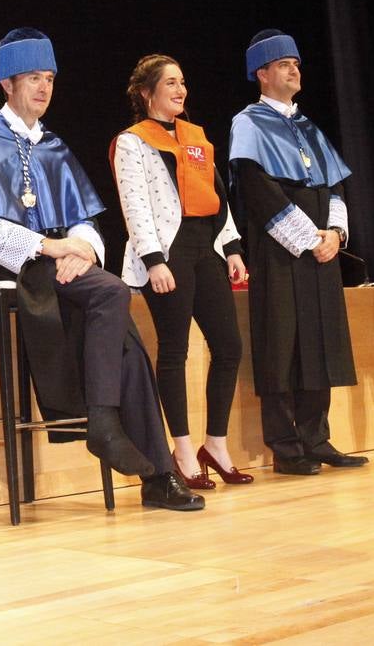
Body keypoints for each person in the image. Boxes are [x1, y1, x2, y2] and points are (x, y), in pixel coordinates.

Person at [0, 28, 201, 511]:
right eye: (32, 79)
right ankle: (107, 426)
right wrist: (48, 247)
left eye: (49, 79)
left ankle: (154, 473)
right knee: (112, 296)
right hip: (12, 266)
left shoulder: (54, 147)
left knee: (130, 347)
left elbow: (86, 220)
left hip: (63, 270)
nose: (43, 88)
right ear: (7, 83)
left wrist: (80, 248)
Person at [228, 30, 367, 475]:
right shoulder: (248, 122)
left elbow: (335, 184)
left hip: (321, 251)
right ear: (263, 74)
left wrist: (335, 235)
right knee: (282, 344)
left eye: (297, 63)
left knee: (319, 342)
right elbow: (256, 186)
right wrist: (308, 237)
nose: (294, 70)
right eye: (284, 64)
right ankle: (285, 446)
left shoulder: (308, 126)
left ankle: (317, 437)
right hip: (280, 250)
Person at [111, 55, 253, 491]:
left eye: (182, 82)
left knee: (228, 346)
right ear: (145, 93)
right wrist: (154, 260)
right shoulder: (133, 142)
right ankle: (184, 450)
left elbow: (217, 197)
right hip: (167, 253)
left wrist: (231, 248)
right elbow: (134, 205)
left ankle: (216, 443)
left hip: (205, 248)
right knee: (174, 351)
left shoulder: (196, 137)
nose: (180, 90)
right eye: (169, 83)